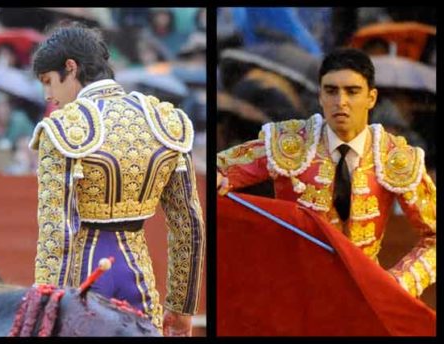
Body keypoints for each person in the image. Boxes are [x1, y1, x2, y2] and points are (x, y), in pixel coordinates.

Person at [29, 23, 205, 336]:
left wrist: (47, 309)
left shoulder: (63, 128)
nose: (49, 96)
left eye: (49, 82)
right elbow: (188, 224)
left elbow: (57, 233)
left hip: (86, 278)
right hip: (138, 274)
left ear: (71, 67)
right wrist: (181, 305)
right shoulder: (165, 121)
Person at [217, 48, 435, 298]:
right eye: (331, 91)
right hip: (293, 294)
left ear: (371, 98)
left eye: (352, 92)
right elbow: (219, 167)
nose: (340, 101)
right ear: (320, 95)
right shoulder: (289, 142)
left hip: (361, 298)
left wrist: (399, 282)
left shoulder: (395, 156)